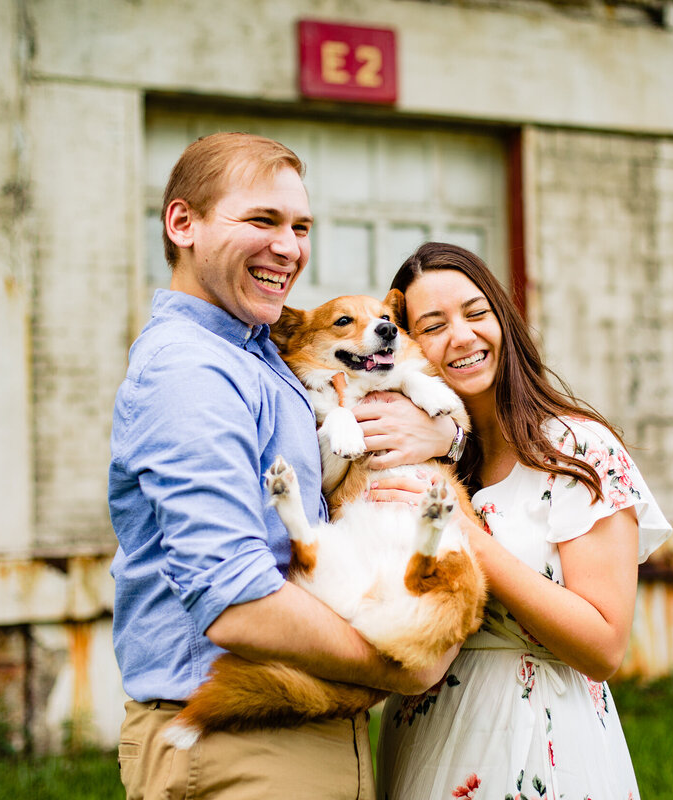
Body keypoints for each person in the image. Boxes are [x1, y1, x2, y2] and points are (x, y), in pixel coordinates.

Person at [108, 133, 460, 800]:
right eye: (262, 220)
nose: (290, 247)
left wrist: (440, 429)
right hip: (240, 743)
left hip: (302, 722)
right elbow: (233, 597)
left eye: (300, 226)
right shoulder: (191, 370)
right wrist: (403, 664)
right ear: (183, 223)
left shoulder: (256, 350)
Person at [375, 242, 673, 800]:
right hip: (423, 738)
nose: (461, 337)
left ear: (503, 319)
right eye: (433, 326)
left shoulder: (577, 449)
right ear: (408, 346)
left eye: (475, 312)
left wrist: (469, 541)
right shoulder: (422, 454)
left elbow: (605, 646)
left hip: (540, 734)